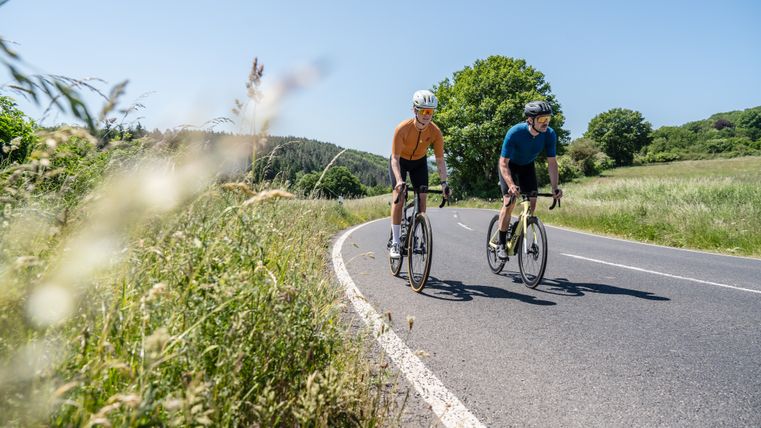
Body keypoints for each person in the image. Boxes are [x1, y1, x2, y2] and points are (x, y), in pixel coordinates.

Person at [496, 100, 563, 260]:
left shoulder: (550, 134)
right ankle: (501, 242)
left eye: (548, 118)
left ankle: (521, 227)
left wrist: (555, 188)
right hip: (509, 166)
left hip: (527, 166)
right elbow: (503, 163)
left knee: (532, 201)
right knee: (509, 202)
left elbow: (552, 163)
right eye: (541, 119)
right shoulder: (515, 132)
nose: (545, 122)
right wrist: (511, 185)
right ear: (530, 120)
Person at [388, 89, 450, 259]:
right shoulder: (402, 129)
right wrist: (400, 181)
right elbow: (394, 159)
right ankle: (395, 241)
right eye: (423, 111)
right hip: (400, 162)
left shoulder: (435, 132)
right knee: (399, 195)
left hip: (419, 163)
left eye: (430, 111)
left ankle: (418, 229)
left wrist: (444, 183)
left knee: (422, 196)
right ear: (415, 110)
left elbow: (439, 160)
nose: (427, 115)